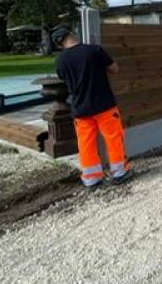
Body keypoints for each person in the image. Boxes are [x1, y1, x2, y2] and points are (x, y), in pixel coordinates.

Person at [52, 25, 131, 188]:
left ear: (59, 44)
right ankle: (119, 172)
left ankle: (92, 178)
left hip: (80, 109)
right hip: (104, 105)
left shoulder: (60, 61)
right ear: (72, 33)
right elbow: (115, 69)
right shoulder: (94, 50)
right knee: (113, 138)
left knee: (86, 144)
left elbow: (64, 78)